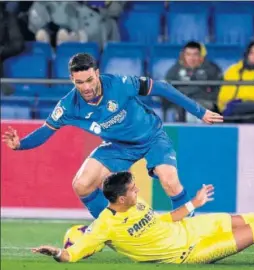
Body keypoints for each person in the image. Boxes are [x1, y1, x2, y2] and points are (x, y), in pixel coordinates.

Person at [2, 53, 223, 219]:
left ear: (97, 73)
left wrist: (200, 112)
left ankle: (191, 229)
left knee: (169, 180)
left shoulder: (119, 84)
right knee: (82, 184)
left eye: (89, 80)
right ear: (72, 80)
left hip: (152, 137)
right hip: (118, 146)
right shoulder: (69, 106)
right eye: (79, 82)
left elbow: (162, 87)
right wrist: (21, 144)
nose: (86, 87)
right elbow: (45, 131)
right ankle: (113, 228)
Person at [31, 171, 254, 265]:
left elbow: (163, 220)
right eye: (133, 190)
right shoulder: (104, 226)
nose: (138, 191)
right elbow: (73, 254)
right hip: (189, 252)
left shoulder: (136, 203)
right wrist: (56, 252)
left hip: (191, 227)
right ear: (121, 199)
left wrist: (193, 204)